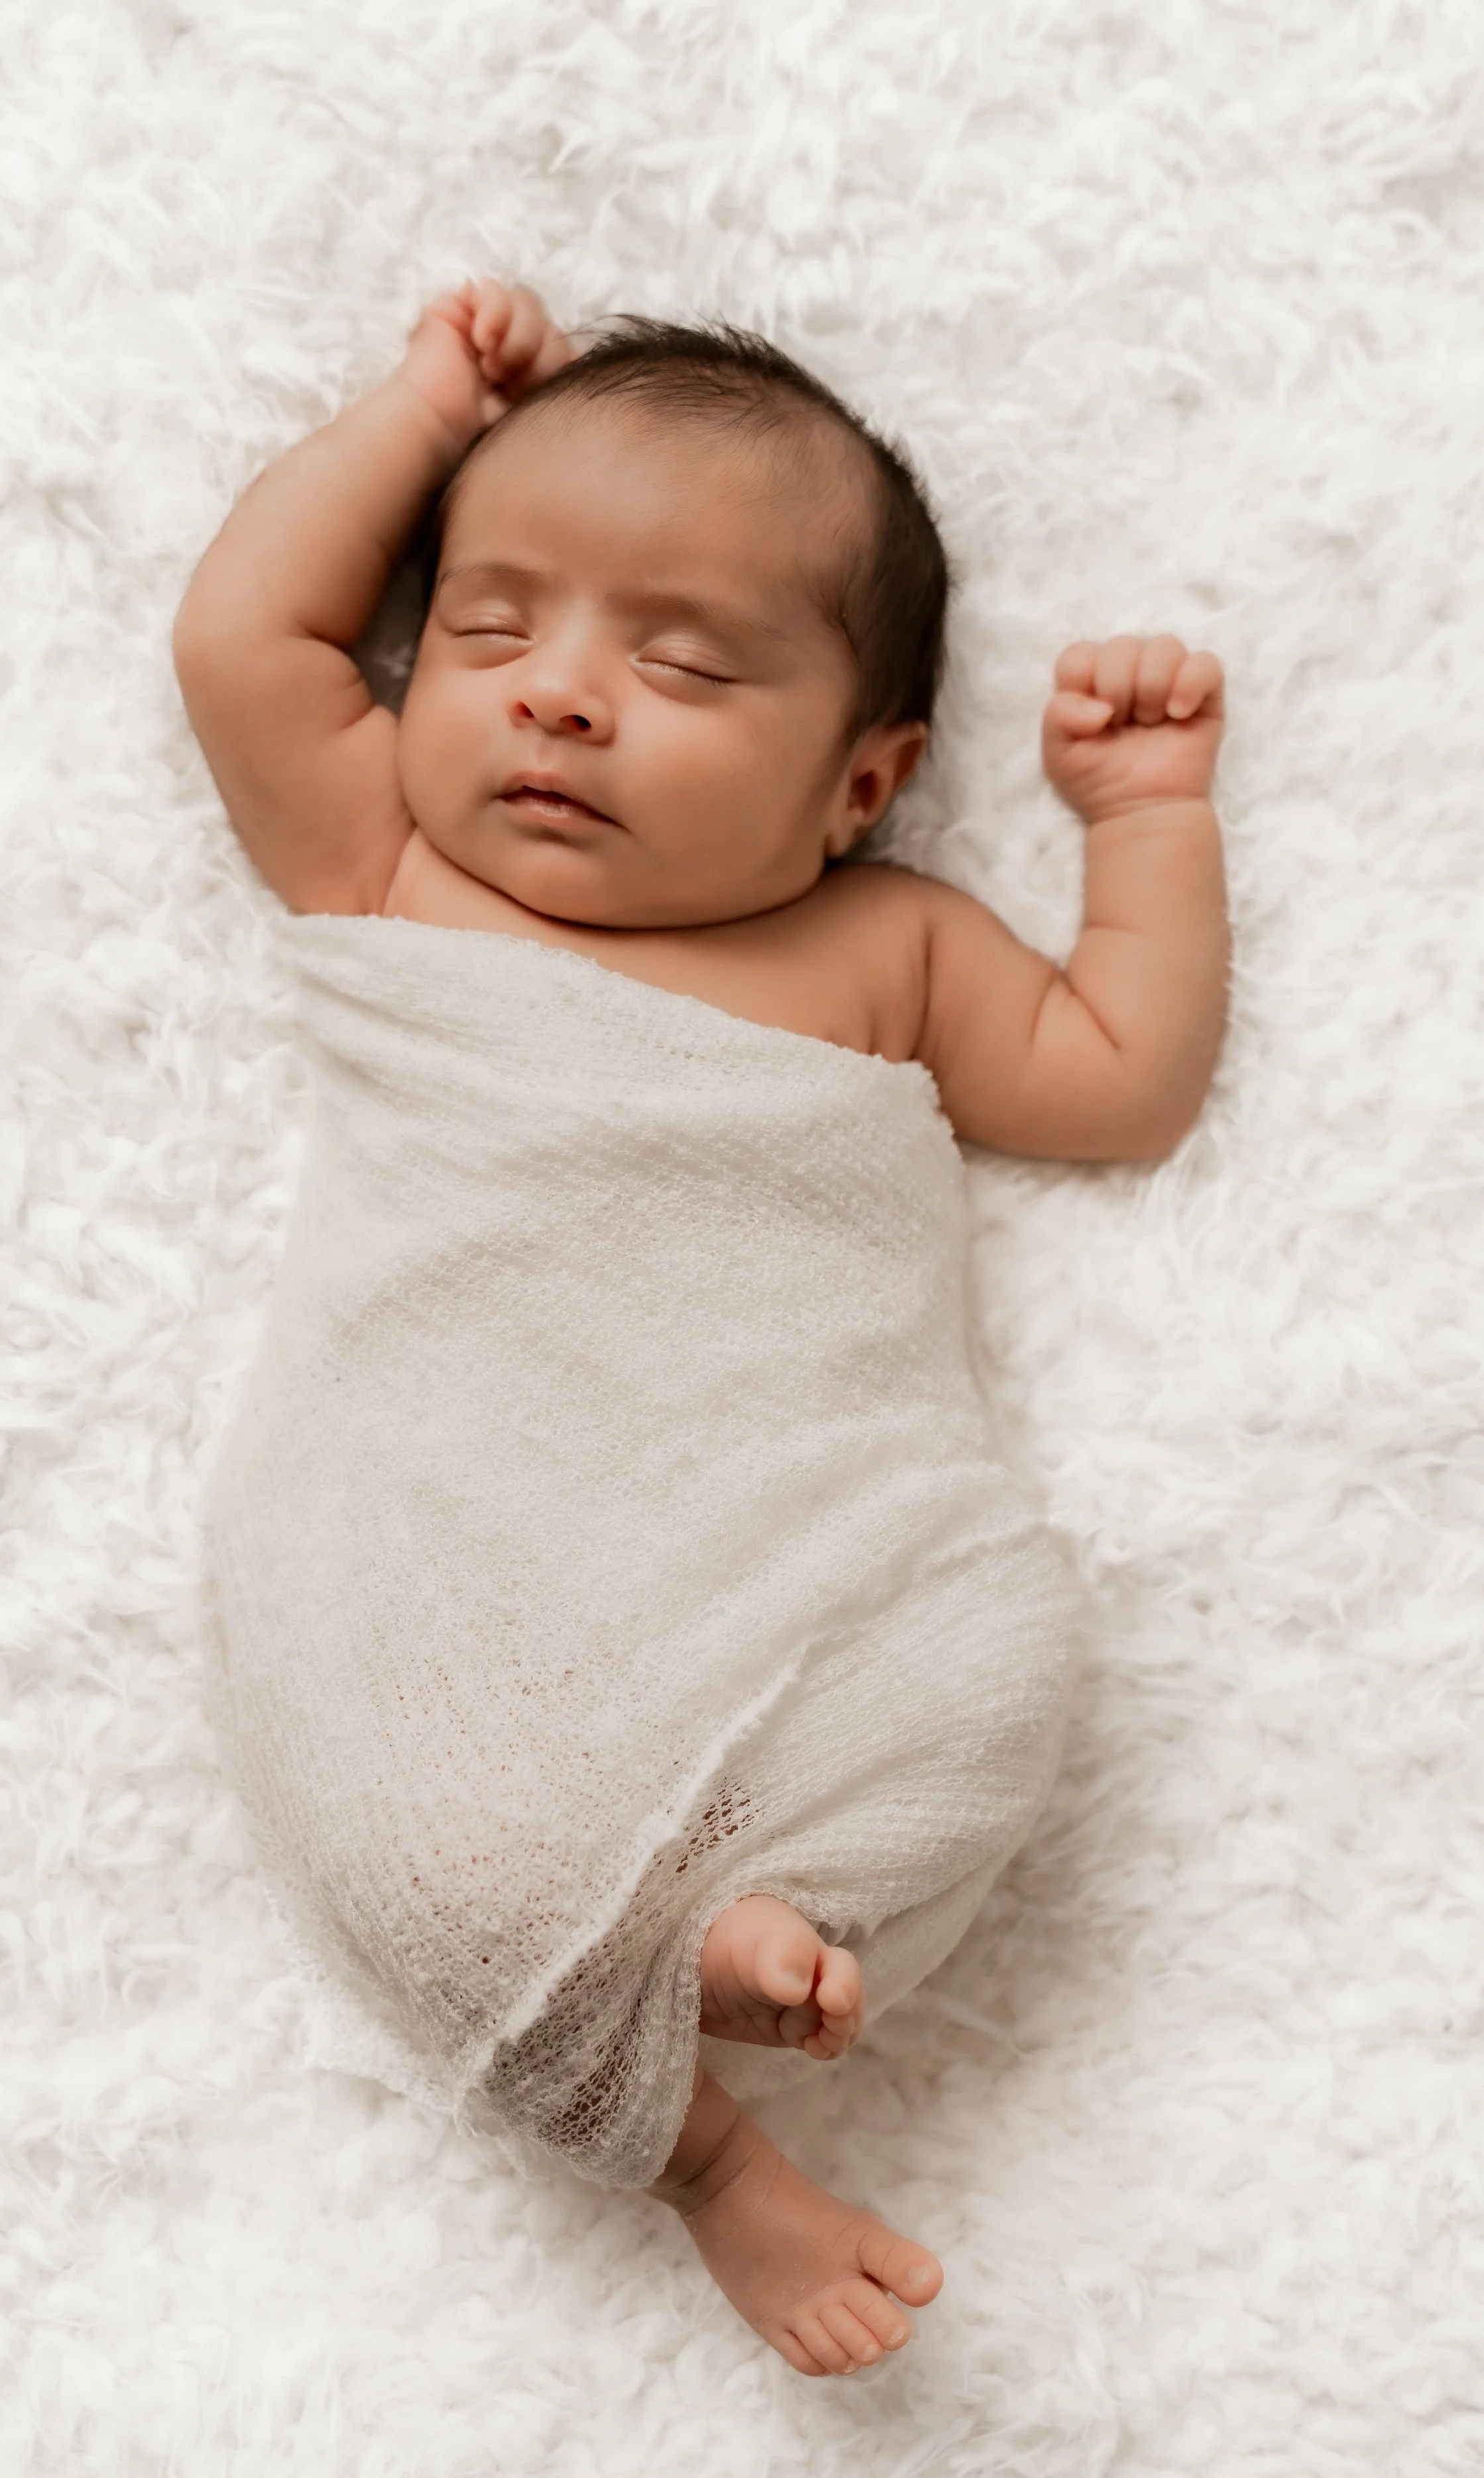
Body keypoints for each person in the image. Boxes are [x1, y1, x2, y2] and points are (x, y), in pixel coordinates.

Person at [175, 281, 1228, 2378]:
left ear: (861, 781)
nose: (560, 700)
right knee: (425, 1860)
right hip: (434, 1536)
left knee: (1005, 1658)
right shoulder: (393, 869)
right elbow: (243, 646)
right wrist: (416, 412)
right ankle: (714, 2162)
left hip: (801, 1531)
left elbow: (1119, 1073)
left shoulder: (888, 946)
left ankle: (781, 1915)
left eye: (674, 665)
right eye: (488, 633)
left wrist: (1146, 826)